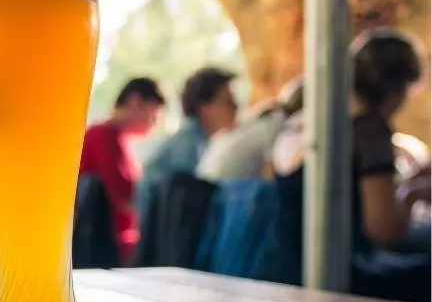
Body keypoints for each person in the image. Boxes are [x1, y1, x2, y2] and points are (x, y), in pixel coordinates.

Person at [273, 28, 429, 302]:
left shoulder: (306, 120)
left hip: (291, 268)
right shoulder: (369, 130)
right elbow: (383, 231)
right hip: (341, 277)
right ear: (399, 88)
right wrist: (415, 193)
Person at [79, 77, 166, 262]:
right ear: (136, 102)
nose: (155, 123)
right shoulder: (103, 136)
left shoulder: (119, 139)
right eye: (154, 114)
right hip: (105, 247)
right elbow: (124, 199)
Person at [139, 66, 239, 213]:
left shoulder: (195, 139)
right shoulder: (188, 144)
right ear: (204, 107)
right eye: (228, 102)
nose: (236, 107)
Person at [197, 77, 303, 182]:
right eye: (228, 102)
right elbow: (272, 177)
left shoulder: (245, 127)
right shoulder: (274, 127)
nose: (236, 106)